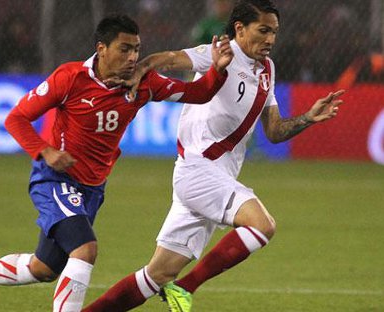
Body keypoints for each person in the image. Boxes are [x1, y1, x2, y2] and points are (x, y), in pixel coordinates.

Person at [0, 14, 233, 312]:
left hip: (92, 188)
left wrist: (219, 72)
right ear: (101, 48)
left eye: (136, 49)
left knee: (43, 268)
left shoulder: (144, 83)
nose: (133, 57)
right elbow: (16, 118)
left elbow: (199, 94)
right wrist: (45, 152)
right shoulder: (70, 78)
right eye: (124, 49)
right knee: (85, 250)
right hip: (56, 179)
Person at [82, 1, 345, 311]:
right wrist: (141, 68)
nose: (271, 39)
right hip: (198, 170)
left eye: (274, 32)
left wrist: (307, 119)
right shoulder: (218, 53)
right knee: (263, 225)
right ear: (239, 29)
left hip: (214, 178)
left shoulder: (267, 71)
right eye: (263, 30)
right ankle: (185, 287)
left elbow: (274, 131)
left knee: (156, 274)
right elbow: (168, 59)